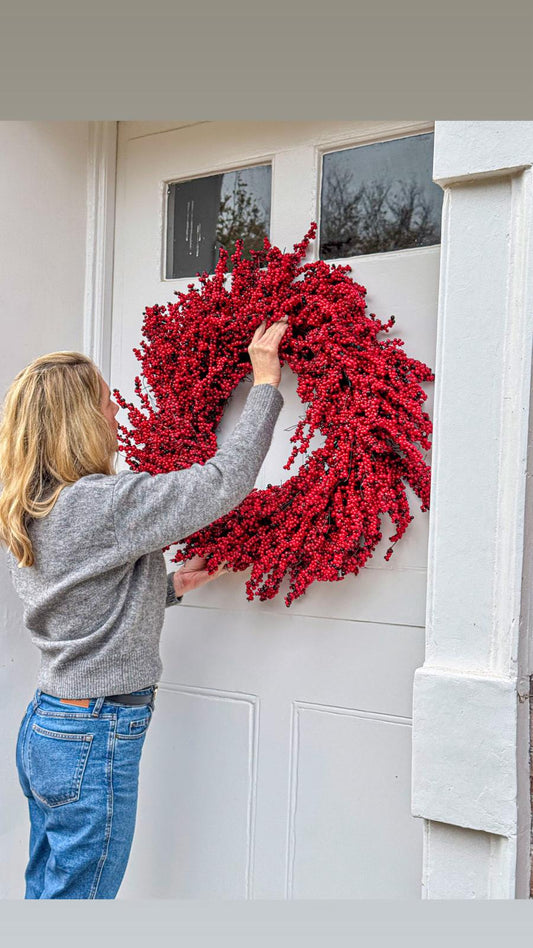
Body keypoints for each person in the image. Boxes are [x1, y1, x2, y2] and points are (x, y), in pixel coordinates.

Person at [0, 315, 288, 899]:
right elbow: (221, 482)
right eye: (105, 402)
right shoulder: (98, 503)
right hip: (92, 732)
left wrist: (170, 585)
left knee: (51, 896)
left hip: (51, 725)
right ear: (79, 419)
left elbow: (77, 603)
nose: (115, 413)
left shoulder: (31, 505)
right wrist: (265, 384)